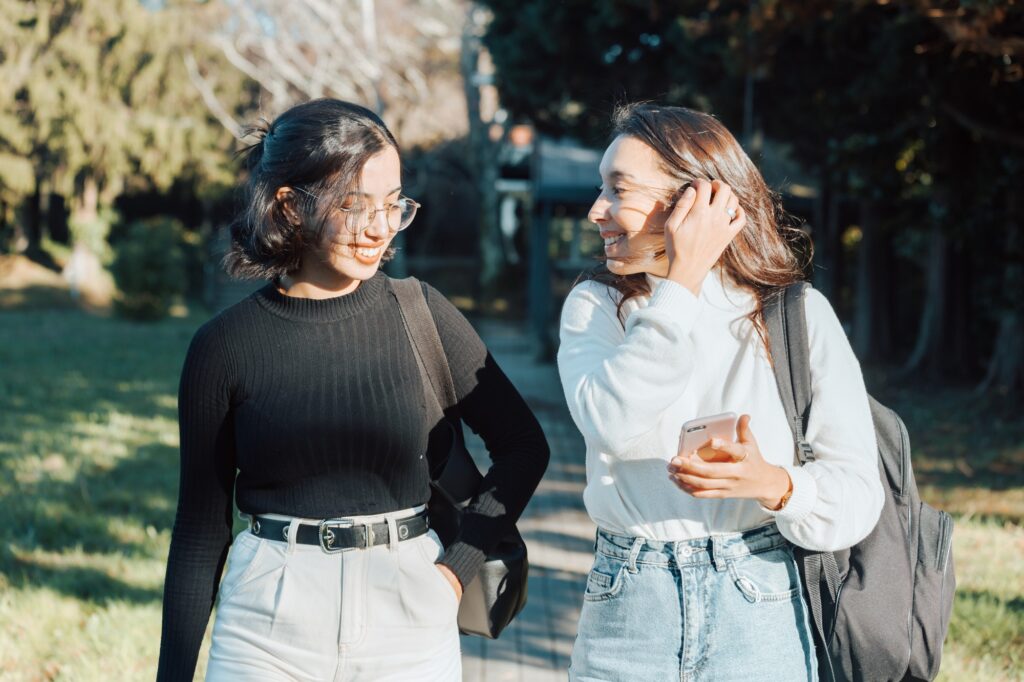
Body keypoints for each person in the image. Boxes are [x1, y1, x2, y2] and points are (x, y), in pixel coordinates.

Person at [157, 98, 550, 681]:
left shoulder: (421, 312)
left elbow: (523, 445)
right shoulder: (224, 346)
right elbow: (198, 530)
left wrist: (455, 569)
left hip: (409, 612)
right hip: (266, 624)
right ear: (290, 206)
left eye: (393, 205)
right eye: (354, 204)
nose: (379, 227)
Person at [557, 103, 884, 681]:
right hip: (629, 603)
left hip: (760, 601)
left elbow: (858, 494)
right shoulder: (597, 306)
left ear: (696, 202)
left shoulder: (796, 315)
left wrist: (775, 485)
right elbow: (612, 424)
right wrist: (680, 283)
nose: (595, 210)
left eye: (618, 189)